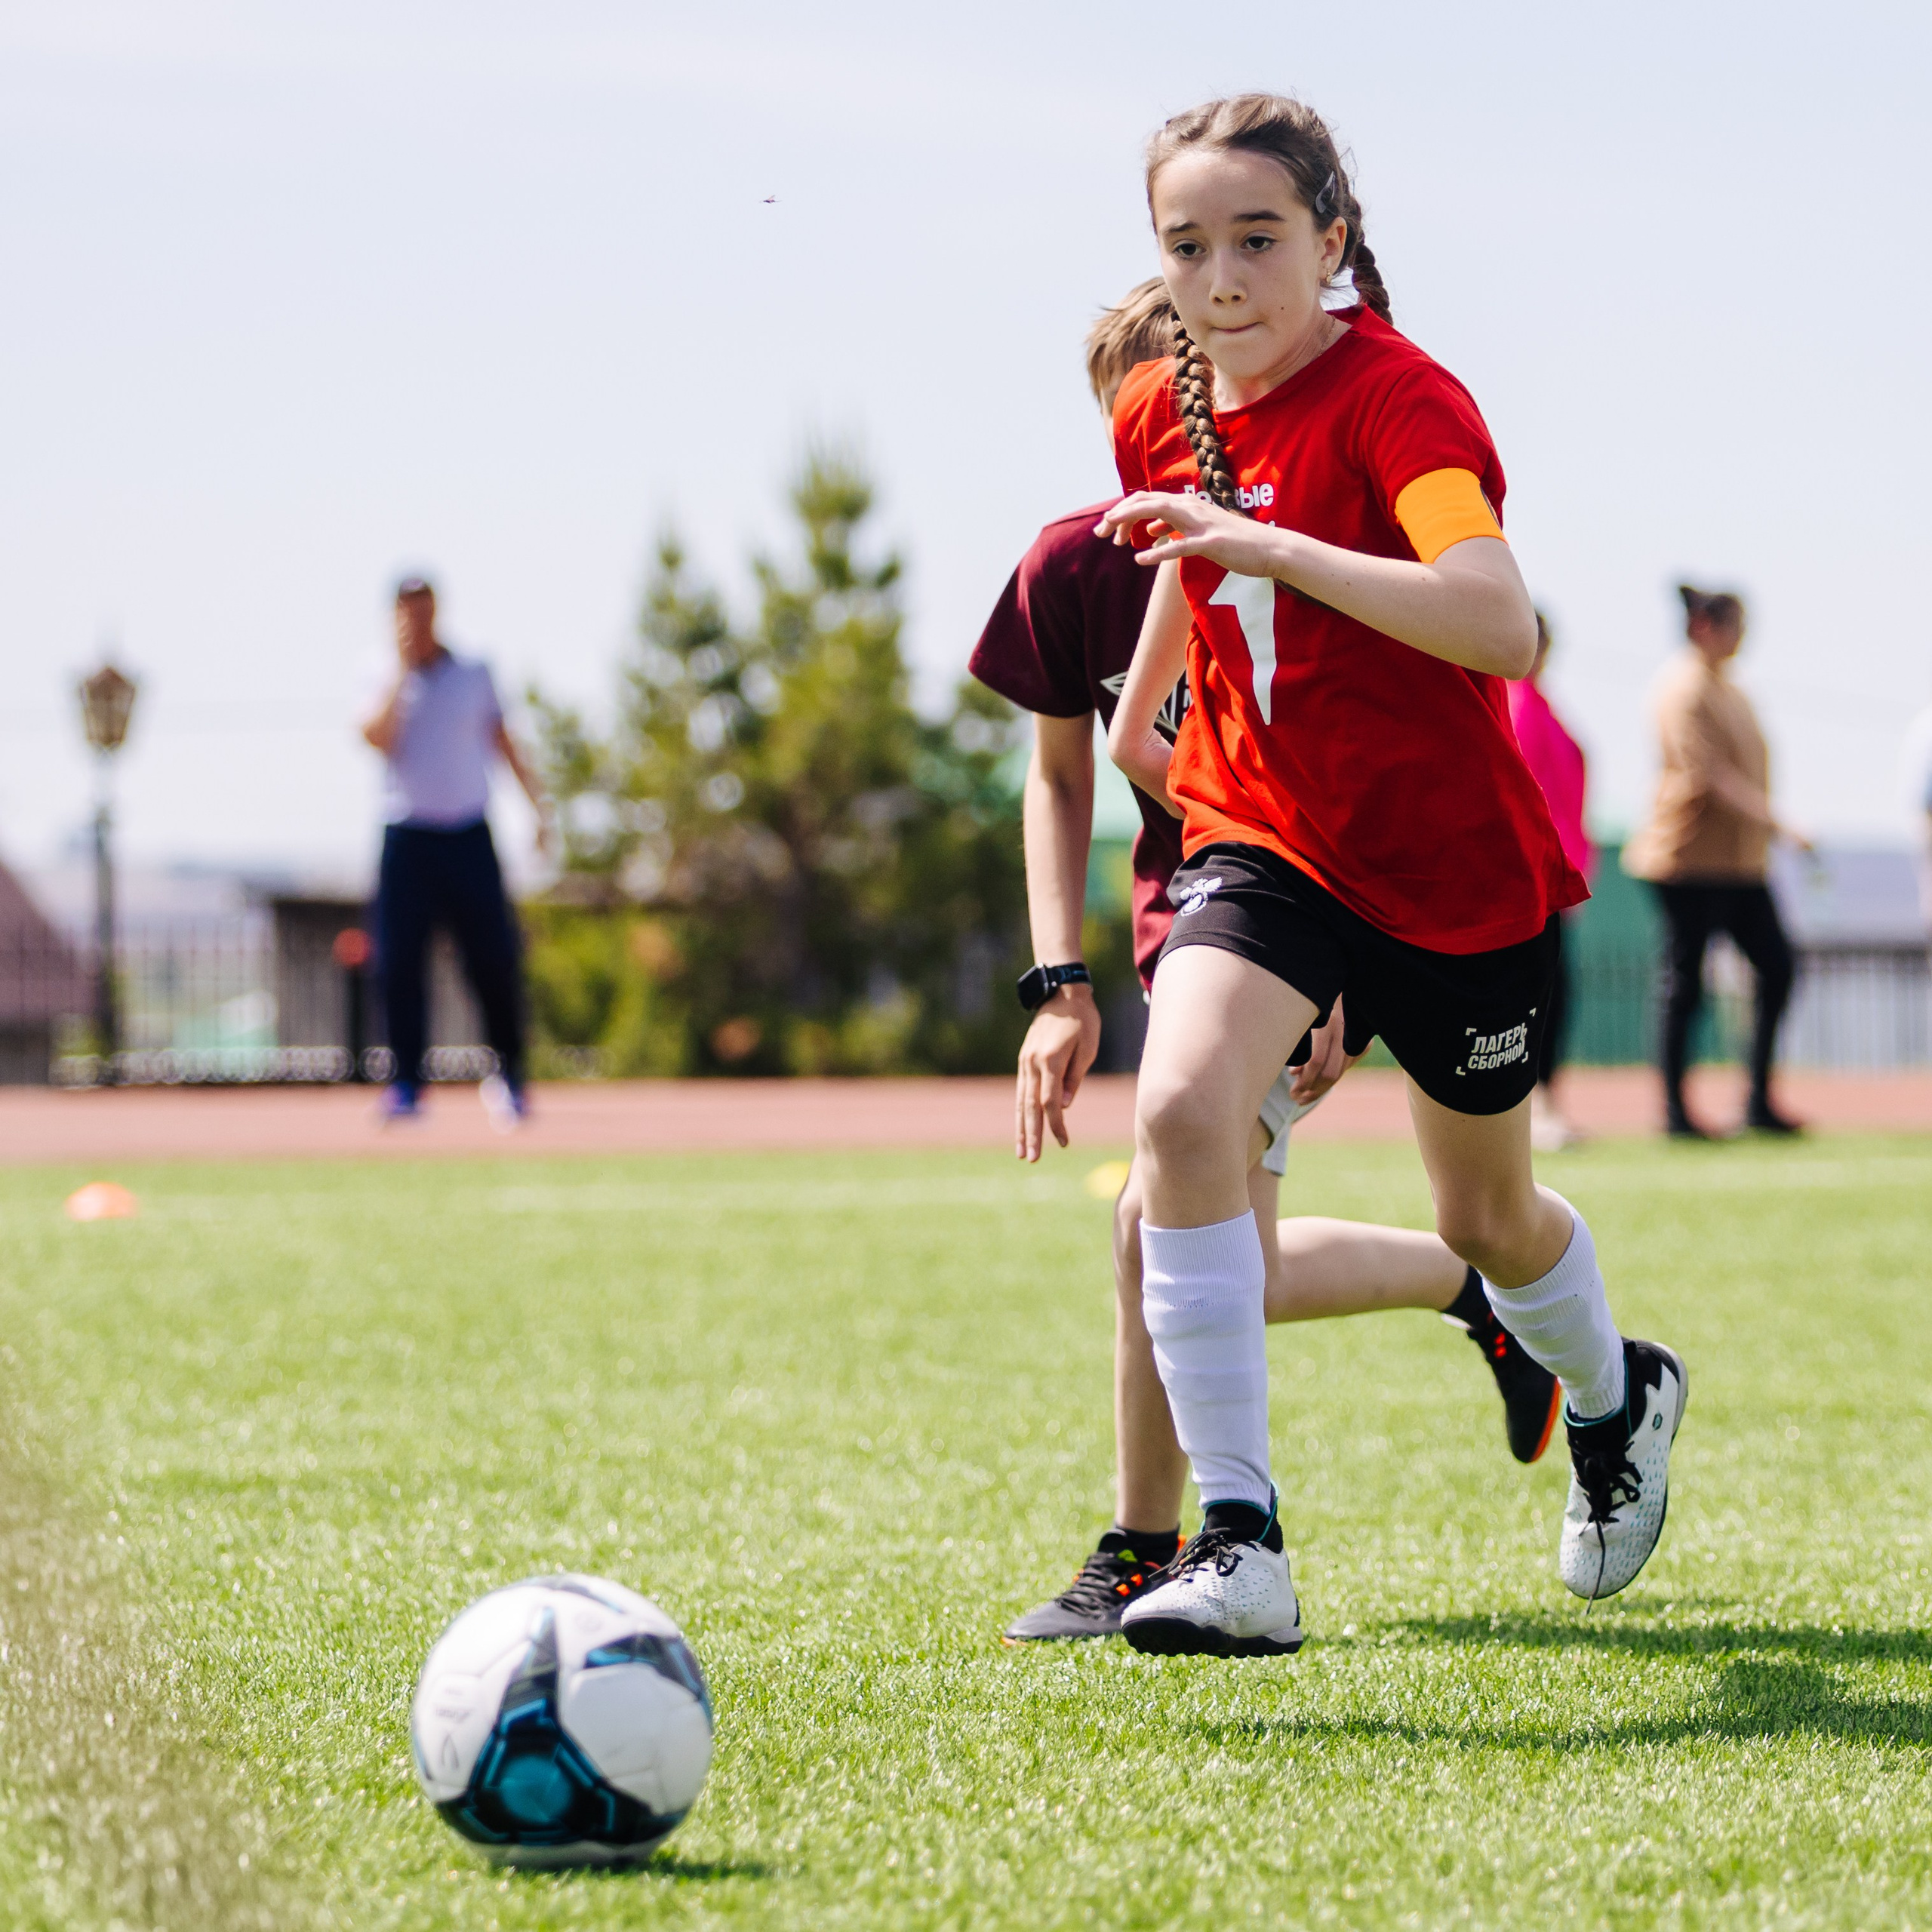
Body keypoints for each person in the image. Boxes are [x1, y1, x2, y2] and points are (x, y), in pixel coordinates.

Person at [1098, 94, 1687, 1654]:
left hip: (1445, 871)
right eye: (1184, 247)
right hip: (1268, 838)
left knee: (1485, 1216)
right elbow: (1178, 650)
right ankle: (1239, 1543)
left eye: (1255, 240)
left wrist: (1272, 547)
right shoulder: (1160, 408)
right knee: (1172, 1110)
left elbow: (1493, 622)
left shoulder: (1398, 400)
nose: (1219, 277)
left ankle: (1617, 1395)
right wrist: (1144, 741)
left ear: (1331, 242)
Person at [972, 281, 1558, 1646]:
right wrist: (1057, 985)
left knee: (1159, 1231)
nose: (1210, 423)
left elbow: (1401, 725)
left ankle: (1151, 1547)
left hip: (1300, 922)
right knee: (1221, 1251)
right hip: (1202, 922)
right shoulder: (1075, 565)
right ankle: (1471, 1296)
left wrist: (1333, 950)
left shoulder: (1309, 535)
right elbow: (1074, 769)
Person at [359, 576, 553, 1125]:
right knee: (399, 964)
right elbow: (374, 738)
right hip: (408, 836)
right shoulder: (378, 672)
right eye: (407, 614)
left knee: (494, 959)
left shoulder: (474, 673)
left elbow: (504, 740)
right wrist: (401, 673)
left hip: (469, 833)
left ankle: (510, 1076)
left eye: (425, 612)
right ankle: (406, 1085)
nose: (418, 624)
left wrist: (540, 810)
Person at [1623, 587, 1807, 1138]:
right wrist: (1777, 821)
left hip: (1739, 864)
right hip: (1688, 860)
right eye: (1735, 624)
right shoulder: (1682, 689)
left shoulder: (1731, 689)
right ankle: (1675, 1112)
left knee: (1777, 968)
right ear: (1706, 626)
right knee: (1685, 985)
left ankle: (1757, 1101)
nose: (1743, 636)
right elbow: (1711, 775)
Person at [1508, 613, 1592, 1152]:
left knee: (1557, 995)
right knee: (1533, 997)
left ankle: (1546, 1100)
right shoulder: (1512, 702)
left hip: (1553, 879)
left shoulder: (1540, 704)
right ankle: (1530, 1108)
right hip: (1527, 877)